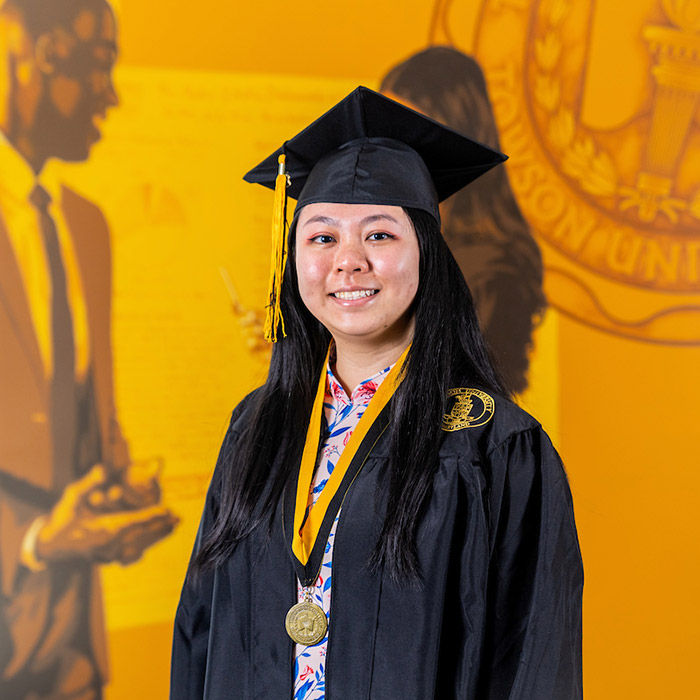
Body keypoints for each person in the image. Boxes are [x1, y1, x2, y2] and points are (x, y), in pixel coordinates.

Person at [171, 87, 582, 699]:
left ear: (427, 255)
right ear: (295, 259)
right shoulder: (257, 425)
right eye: (322, 237)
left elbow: (533, 661)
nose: (348, 262)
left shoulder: (494, 446)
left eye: (381, 236)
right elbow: (200, 631)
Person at [0, 1, 177, 697]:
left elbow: (81, 418)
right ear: (40, 58)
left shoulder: (87, 229)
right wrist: (36, 543)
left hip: (73, 646)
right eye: (100, 67)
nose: (112, 95)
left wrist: (115, 490)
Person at [381, 47, 546, 393]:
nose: (392, 150)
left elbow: (459, 393)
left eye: (410, 132)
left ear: (456, 133)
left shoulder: (493, 270)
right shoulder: (395, 232)